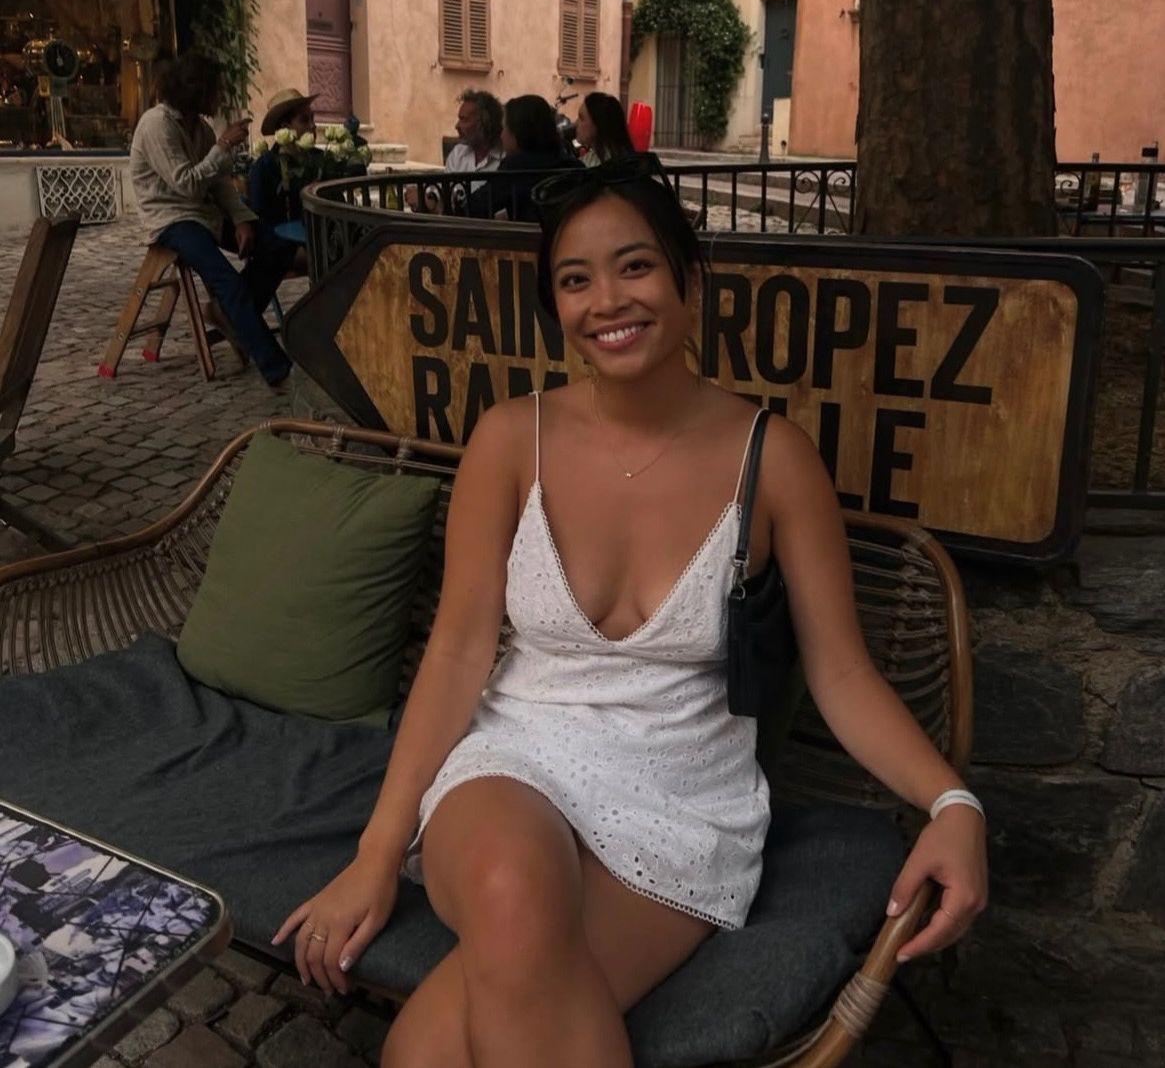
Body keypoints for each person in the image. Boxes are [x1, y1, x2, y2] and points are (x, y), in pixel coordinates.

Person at [273, 155, 988, 1066]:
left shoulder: (772, 460)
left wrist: (951, 802)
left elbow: (840, 671)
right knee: (510, 889)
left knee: (430, 1048)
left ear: (691, 282)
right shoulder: (510, 440)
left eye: (635, 266)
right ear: (556, 307)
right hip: (515, 764)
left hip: (684, 802)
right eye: (575, 280)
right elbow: (455, 654)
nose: (607, 300)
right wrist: (376, 855)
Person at [129, 52, 295, 388]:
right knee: (226, 280)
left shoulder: (200, 127)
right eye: (215, 90)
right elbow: (187, 184)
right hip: (171, 217)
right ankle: (276, 368)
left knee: (277, 247)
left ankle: (227, 314)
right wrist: (223, 145)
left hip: (205, 213)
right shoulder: (156, 125)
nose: (220, 97)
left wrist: (241, 218)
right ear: (196, 91)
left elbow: (219, 181)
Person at [466, 94, 582, 221]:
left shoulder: (514, 168)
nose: (501, 135)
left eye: (504, 128)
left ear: (517, 132)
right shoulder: (574, 166)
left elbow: (476, 205)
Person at [247, 87, 319, 231]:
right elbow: (260, 220)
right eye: (304, 120)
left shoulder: (320, 159)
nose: (313, 126)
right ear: (285, 127)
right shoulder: (265, 166)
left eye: (312, 118)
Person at [576, 91, 634, 167]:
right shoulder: (627, 158)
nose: (576, 123)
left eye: (582, 118)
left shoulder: (605, 165)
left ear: (598, 124)